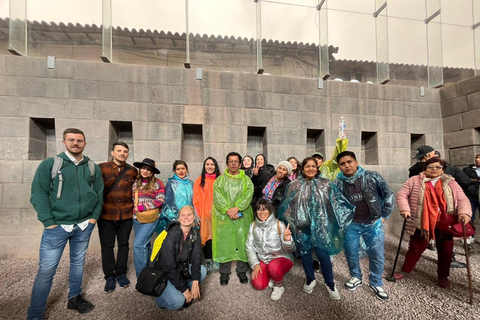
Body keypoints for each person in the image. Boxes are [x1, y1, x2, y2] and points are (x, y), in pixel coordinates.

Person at [28, 128, 104, 319]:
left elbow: (99, 194)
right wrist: (49, 222)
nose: (75, 143)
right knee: (46, 270)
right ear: (64, 142)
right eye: (71, 140)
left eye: (79, 140)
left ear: (85, 143)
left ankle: (74, 297)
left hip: (84, 225)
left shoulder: (92, 167)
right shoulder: (51, 164)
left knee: (78, 263)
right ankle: (35, 313)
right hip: (58, 226)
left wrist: (93, 218)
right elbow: (38, 194)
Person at [278, 157, 353, 300]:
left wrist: (333, 224)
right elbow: (286, 205)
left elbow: (333, 204)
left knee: (323, 255)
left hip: (321, 227)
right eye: (307, 166)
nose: (311, 169)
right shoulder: (294, 185)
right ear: (303, 169)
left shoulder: (326, 184)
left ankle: (330, 283)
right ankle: (310, 278)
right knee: (305, 253)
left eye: (313, 166)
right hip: (301, 226)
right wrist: (291, 220)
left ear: (317, 168)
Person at [394, 157, 472, 289]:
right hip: (422, 221)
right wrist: (405, 209)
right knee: (415, 247)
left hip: (444, 222)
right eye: (431, 167)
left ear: (442, 170)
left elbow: (462, 198)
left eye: (438, 167)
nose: (434, 170)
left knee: (446, 250)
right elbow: (401, 194)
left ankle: (443, 276)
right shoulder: (414, 180)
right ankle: (405, 271)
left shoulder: (450, 182)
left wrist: (464, 213)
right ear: (425, 169)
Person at [334, 151, 394, 301]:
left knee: (377, 254)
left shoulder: (372, 177)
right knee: (351, 252)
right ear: (339, 167)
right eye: (343, 163)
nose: (347, 166)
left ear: (356, 162)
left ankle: (376, 282)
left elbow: (387, 195)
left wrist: (384, 216)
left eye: (349, 162)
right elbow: (335, 204)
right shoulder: (338, 183)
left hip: (372, 223)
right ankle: (355, 277)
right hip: (351, 224)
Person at [98, 142, 138, 293]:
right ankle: (109, 275)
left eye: (125, 151)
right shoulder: (101, 168)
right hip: (106, 214)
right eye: (119, 150)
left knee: (123, 244)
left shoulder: (133, 171)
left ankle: (121, 273)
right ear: (112, 152)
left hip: (126, 214)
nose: (122, 153)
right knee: (107, 246)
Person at [212, 152, 254, 285]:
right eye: (231, 161)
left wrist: (237, 208)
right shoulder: (220, 180)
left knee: (243, 241)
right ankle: (224, 273)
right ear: (227, 164)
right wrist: (228, 210)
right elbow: (217, 197)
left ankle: (241, 270)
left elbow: (249, 194)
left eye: (236, 161)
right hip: (224, 216)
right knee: (224, 241)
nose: (234, 164)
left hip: (243, 216)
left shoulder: (246, 180)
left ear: (240, 164)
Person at [154, 206, 207, 310]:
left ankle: (182, 287)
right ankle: (160, 297)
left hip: (181, 268)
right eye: (183, 215)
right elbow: (168, 267)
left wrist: (195, 282)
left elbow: (196, 258)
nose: (186, 217)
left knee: (203, 271)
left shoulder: (195, 234)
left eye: (189, 215)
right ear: (179, 218)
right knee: (178, 302)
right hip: (165, 273)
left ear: (193, 217)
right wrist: (185, 290)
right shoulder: (172, 234)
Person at [246, 199, 296, 300]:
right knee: (258, 284)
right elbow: (249, 246)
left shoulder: (279, 224)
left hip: (281, 257)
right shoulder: (253, 226)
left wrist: (287, 241)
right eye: (259, 210)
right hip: (263, 259)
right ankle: (271, 274)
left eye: (265, 209)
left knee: (273, 267)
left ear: (270, 210)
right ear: (256, 212)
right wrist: (255, 264)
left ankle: (279, 286)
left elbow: (291, 250)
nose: (262, 212)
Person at [132, 158, 165, 277]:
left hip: (152, 218)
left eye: (148, 169)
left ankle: (141, 276)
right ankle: (150, 269)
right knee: (145, 244)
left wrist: (143, 207)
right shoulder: (136, 183)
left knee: (138, 244)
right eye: (143, 168)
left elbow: (160, 201)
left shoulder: (158, 183)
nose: (145, 171)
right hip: (136, 218)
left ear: (152, 172)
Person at [193, 157, 221, 273]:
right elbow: (195, 199)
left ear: (216, 166)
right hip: (204, 215)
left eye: (212, 164)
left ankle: (217, 258)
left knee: (218, 237)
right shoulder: (199, 181)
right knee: (207, 237)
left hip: (219, 215)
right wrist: (197, 215)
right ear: (204, 166)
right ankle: (209, 260)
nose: (210, 166)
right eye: (207, 164)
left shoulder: (221, 179)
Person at [158, 160, 194, 233]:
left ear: (186, 170)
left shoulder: (191, 184)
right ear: (175, 171)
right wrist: (178, 216)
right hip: (175, 219)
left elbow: (194, 201)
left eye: (183, 168)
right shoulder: (171, 183)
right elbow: (169, 203)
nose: (181, 171)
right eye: (178, 169)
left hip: (189, 219)